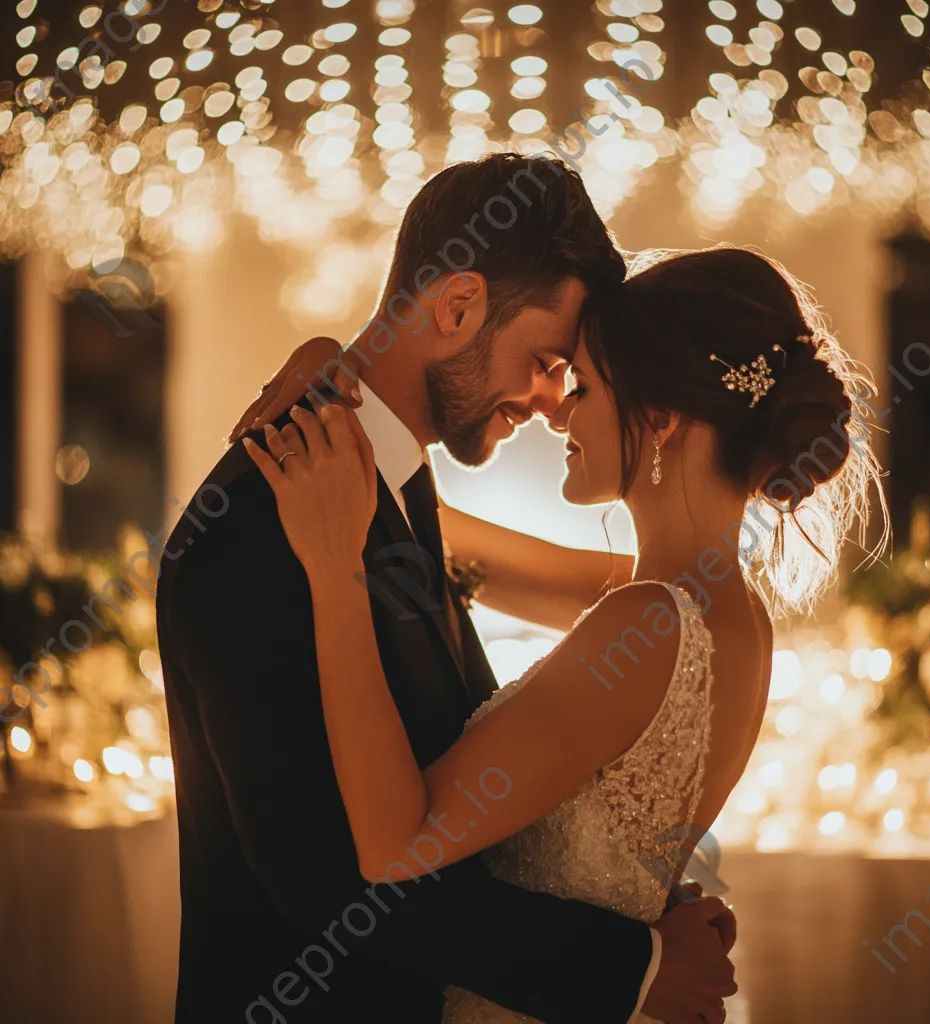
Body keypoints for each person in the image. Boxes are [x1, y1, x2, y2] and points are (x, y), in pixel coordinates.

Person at [156, 153, 740, 1024]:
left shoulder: (399, 484)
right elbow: (323, 875)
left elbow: (450, 766)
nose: (554, 403)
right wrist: (628, 968)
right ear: (458, 305)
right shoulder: (264, 517)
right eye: (547, 359)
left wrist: (628, 889)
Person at [235, 245, 887, 1023]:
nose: (559, 413)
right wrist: (343, 381)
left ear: (662, 415)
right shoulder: (723, 609)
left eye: (583, 385)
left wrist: (333, 568)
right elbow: (436, 534)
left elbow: (392, 846)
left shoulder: (646, 624)